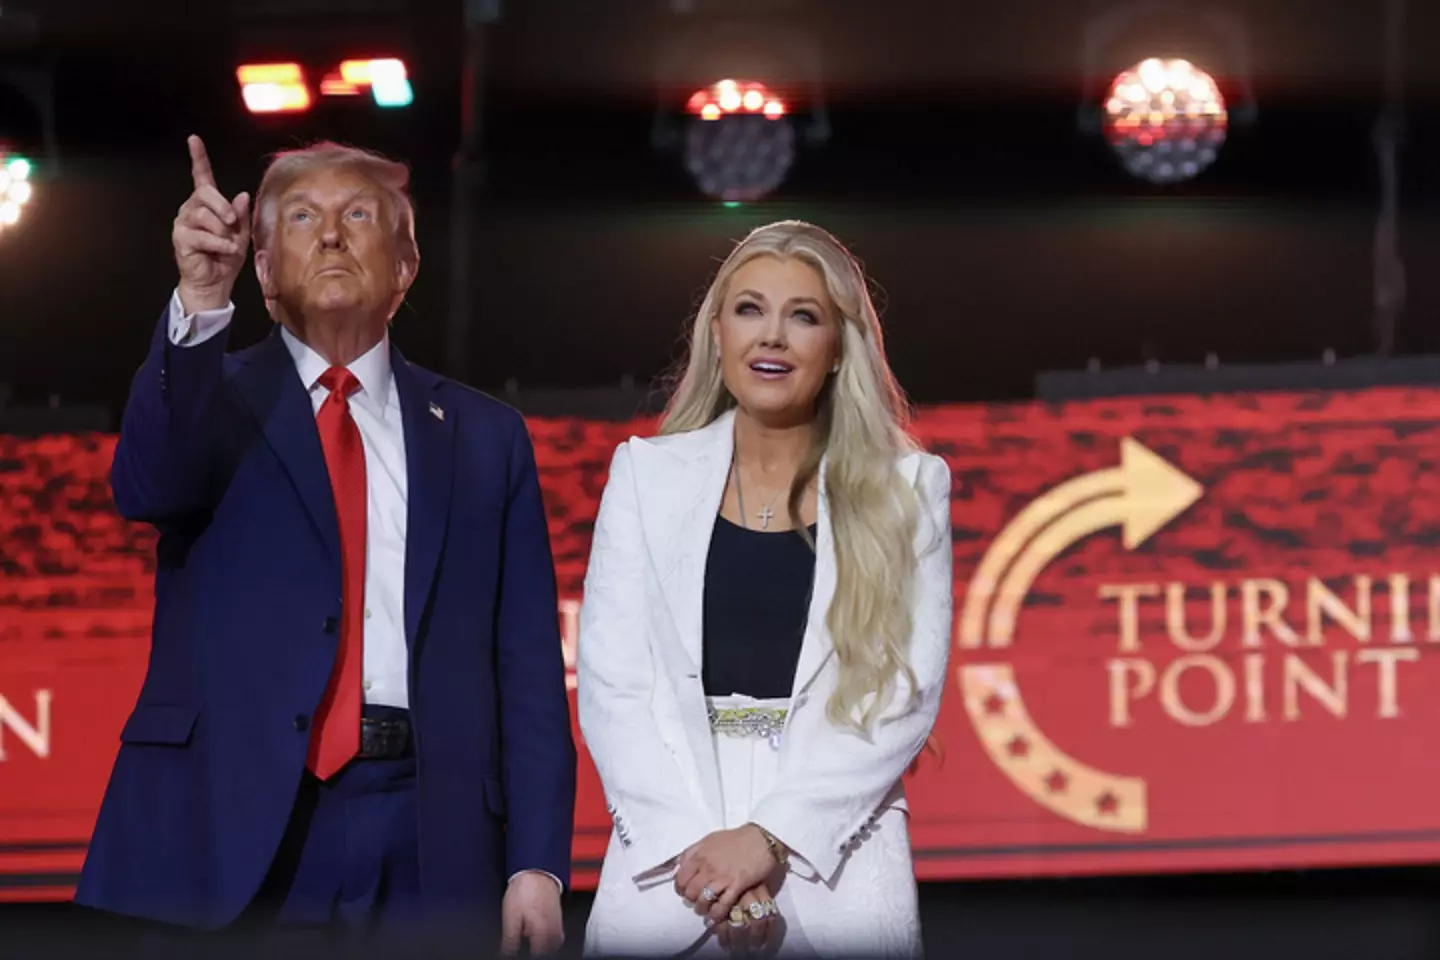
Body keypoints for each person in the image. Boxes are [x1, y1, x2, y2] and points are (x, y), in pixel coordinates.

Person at [75, 136, 576, 954]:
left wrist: (537, 865)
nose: (333, 234)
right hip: (235, 828)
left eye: (359, 215)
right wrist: (201, 296)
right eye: (303, 218)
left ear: (406, 264)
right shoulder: (212, 399)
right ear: (264, 273)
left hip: (431, 832)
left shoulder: (487, 438)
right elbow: (147, 487)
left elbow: (526, 665)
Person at [576, 220, 953, 957]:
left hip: (836, 872)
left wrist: (770, 838)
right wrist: (706, 858)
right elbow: (612, 686)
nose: (772, 336)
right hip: (667, 873)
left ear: (840, 346)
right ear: (717, 334)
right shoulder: (645, 476)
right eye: (749, 310)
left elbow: (901, 693)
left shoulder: (907, 489)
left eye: (803, 316)